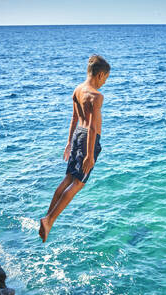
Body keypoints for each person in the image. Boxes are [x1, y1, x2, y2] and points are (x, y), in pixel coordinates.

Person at [39, 54, 110, 243]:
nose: (105, 83)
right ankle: (49, 220)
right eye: (106, 78)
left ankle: (48, 217)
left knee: (68, 178)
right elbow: (93, 127)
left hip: (78, 134)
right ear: (100, 75)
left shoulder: (78, 89)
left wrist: (69, 142)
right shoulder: (96, 95)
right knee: (78, 183)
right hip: (89, 139)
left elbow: (74, 118)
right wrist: (89, 155)